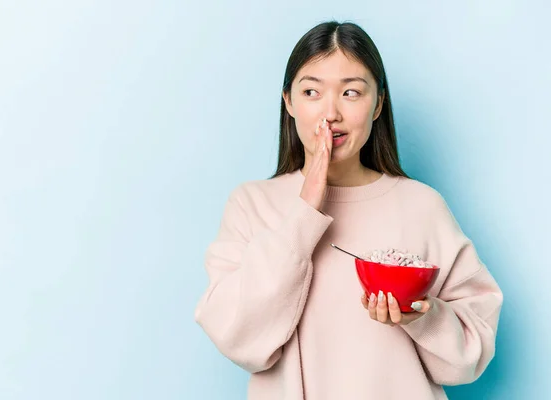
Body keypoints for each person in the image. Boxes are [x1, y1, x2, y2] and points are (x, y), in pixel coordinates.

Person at [194, 20, 503, 400]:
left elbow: (472, 352)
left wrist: (423, 317)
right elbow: (238, 338)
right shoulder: (252, 205)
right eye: (311, 91)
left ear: (378, 105)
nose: (331, 113)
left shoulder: (422, 206)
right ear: (289, 102)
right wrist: (305, 210)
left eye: (352, 92)